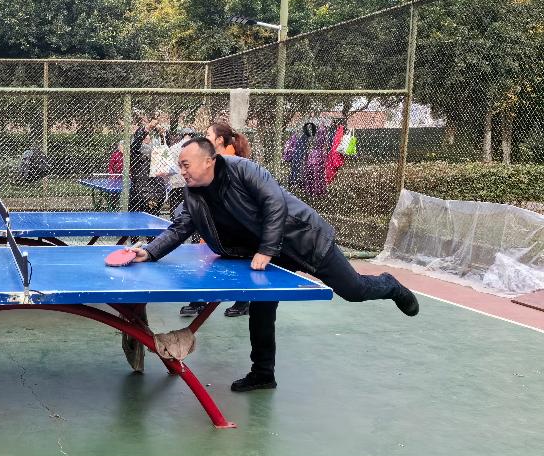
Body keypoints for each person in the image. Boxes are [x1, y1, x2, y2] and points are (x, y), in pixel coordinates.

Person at [129, 128, 419, 393]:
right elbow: (180, 227)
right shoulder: (193, 194)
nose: (181, 171)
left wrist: (267, 249)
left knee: (354, 290)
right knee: (262, 309)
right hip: (268, 253)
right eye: (180, 165)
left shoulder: (243, 170)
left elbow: (274, 203)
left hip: (304, 240)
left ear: (208, 161)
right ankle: (263, 373)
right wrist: (150, 251)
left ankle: (390, 285)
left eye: (185, 165)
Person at [180, 123, 253, 319]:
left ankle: (241, 301)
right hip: (212, 227)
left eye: (208, 134)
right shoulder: (207, 164)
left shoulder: (231, 164)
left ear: (219, 140)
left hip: (232, 231)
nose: (205, 137)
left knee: (237, 265)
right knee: (206, 261)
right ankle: (200, 300)